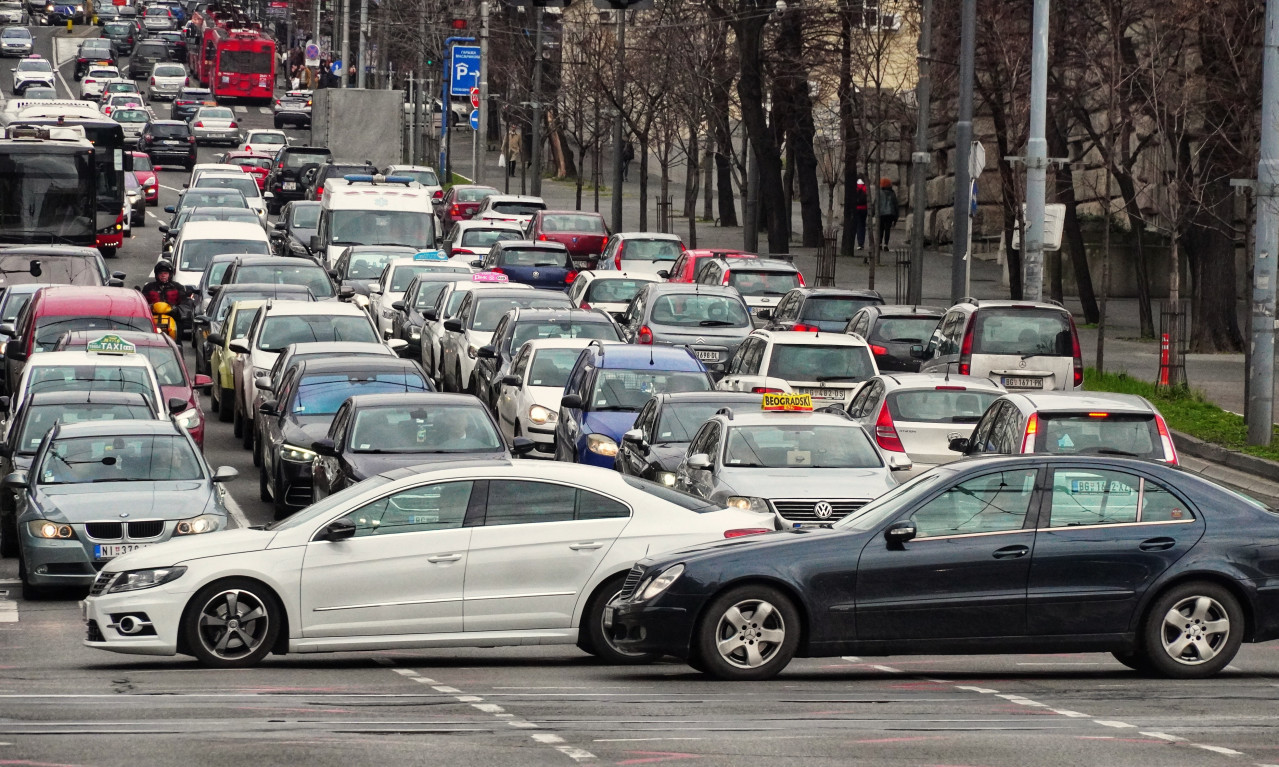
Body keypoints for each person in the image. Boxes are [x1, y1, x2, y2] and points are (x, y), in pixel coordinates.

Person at [140, 260, 196, 332]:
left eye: (165, 273)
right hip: (152, 319)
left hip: (173, 318)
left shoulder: (178, 287)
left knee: (178, 336)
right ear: (157, 275)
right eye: (161, 273)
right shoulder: (149, 287)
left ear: (170, 274)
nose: (163, 275)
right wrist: (150, 307)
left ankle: (177, 342)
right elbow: (142, 302)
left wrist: (176, 309)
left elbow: (184, 303)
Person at [878, 178, 899, 249]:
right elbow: (896, 205)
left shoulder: (879, 193)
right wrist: (896, 217)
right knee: (887, 229)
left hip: (881, 213)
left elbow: (876, 203)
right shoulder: (892, 193)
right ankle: (886, 244)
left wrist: (873, 213)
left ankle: (879, 244)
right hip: (890, 213)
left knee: (880, 229)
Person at [852, 178, 868, 252]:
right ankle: (861, 243)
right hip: (864, 209)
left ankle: (852, 242)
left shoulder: (854, 188)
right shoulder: (865, 188)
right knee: (862, 226)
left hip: (856, 209)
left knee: (855, 226)